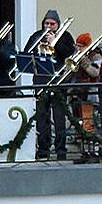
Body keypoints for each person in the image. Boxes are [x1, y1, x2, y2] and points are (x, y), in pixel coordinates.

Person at [24, 9, 76, 160]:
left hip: (58, 82)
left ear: (57, 25)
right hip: (40, 82)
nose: (49, 26)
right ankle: (43, 150)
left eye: (52, 24)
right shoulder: (37, 36)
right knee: (42, 118)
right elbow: (27, 53)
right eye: (46, 23)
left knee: (59, 118)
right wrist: (39, 45)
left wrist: (56, 41)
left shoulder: (65, 36)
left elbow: (68, 54)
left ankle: (61, 150)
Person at [72, 32, 102, 160]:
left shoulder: (95, 56)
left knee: (89, 124)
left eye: (81, 46)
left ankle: (93, 152)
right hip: (77, 92)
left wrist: (85, 63)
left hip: (89, 93)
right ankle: (84, 152)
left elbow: (95, 72)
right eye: (77, 45)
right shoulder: (76, 54)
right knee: (79, 123)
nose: (78, 48)